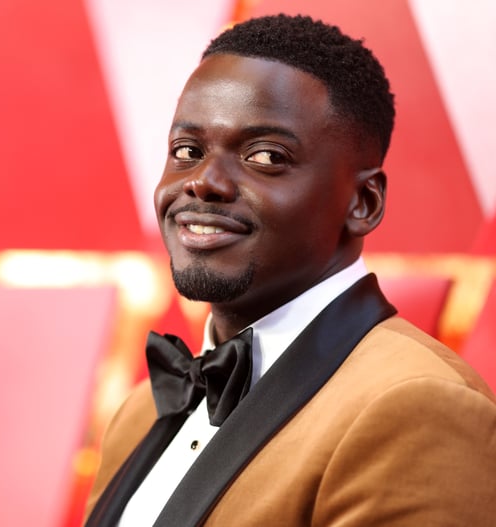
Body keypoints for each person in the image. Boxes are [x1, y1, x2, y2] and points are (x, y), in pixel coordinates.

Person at [83, 14, 496, 527]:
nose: (204, 182)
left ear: (363, 202)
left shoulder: (417, 404)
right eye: (187, 151)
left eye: (265, 156)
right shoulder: (139, 412)